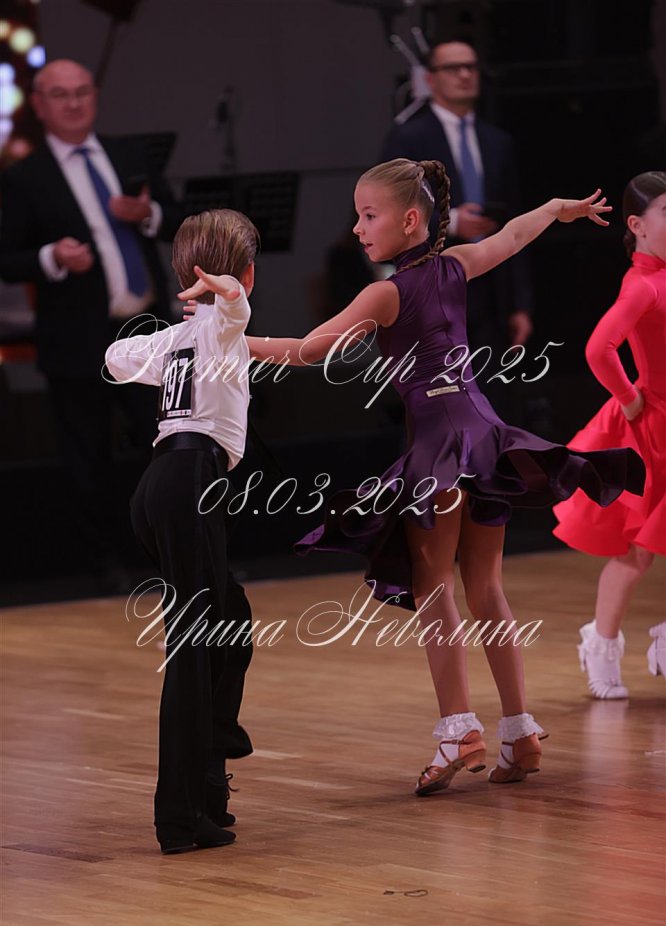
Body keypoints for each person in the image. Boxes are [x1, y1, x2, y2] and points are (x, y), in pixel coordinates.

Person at [179, 158, 645, 795]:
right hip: (485, 435)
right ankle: (519, 732)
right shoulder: (456, 266)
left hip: (437, 447)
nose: (357, 228)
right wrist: (558, 210)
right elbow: (512, 236)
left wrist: (229, 339)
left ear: (409, 220)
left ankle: (460, 731)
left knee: (433, 589)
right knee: (487, 588)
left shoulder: (386, 293)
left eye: (368, 215)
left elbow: (311, 350)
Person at [105, 208, 258, 854]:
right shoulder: (221, 327)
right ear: (246, 274)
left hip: (161, 488)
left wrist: (180, 329)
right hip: (188, 482)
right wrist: (227, 301)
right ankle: (180, 815)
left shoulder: (186, 337)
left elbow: (116, 356)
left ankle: (210, 772)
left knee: (231, 619)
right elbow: (234, 313)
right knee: (194, 649)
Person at [0, 59, 180, 587]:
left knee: (171, 448)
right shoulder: (24, 177)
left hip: (148, 330)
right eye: (61, 94)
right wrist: (52, 257)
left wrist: (146, 215)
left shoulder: (130, 154)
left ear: (95, 96)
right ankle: (105, 565)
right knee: (89, 456)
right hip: (78, 337)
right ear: (39, 105)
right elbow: (6, 257)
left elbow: (177, 217)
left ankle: (182, 560)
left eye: (82, 91)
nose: (74, 103)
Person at [553, 171, 666, 699]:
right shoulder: (641, 284)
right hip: (651, 430)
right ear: (638, 225)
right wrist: (628, 397)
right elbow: (599, 349)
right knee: (636, 552)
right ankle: (600, 643)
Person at [381, 40, 533, 364]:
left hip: (491, 282)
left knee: (492, 383)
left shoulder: (497, 141)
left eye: (471, 67)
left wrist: (520, 303)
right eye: (453, 68)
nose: (464, 75)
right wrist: (451, 222)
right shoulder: (407, 138)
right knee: (442, 382)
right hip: (435, 278)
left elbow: (516, 218)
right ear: (431, 79)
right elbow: (390, 212)